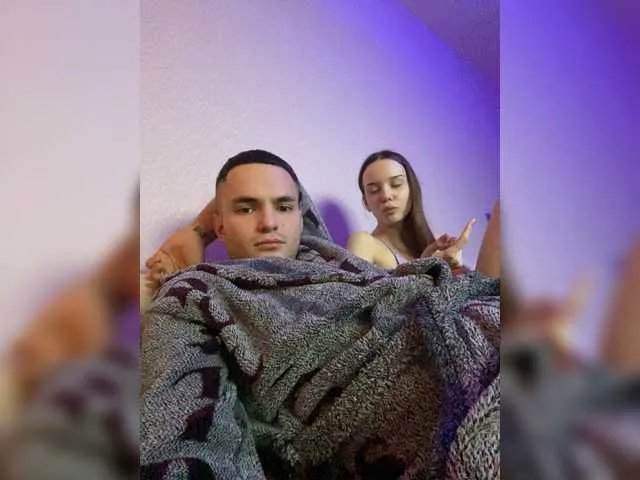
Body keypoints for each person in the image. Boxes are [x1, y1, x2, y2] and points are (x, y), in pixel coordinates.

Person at [141, 149, 501, 479]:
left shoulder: (319, 249)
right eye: (246, 209)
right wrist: (193, 238)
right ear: (220, 224)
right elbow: (182, 432)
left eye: (284, 207)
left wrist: (196, 232)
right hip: (423, 406)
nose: (269, 222)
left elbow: (288, 185)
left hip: (469, 322)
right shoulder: (197, 291)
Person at [347, 150, 476, 271]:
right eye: (374, 190)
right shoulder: (364, 243)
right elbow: (353, 286)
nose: (386, 195)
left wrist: (455, 269)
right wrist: (428, 268)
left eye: (396, 184)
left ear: (412, 189)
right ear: (366, 203)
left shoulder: (436, 243)